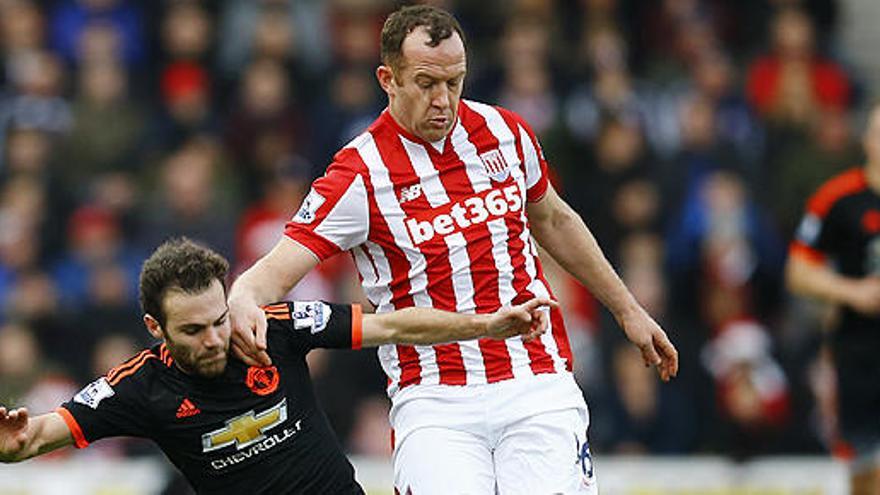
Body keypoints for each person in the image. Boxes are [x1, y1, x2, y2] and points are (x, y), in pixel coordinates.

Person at [228, 6, 678, 494]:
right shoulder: (359, 174)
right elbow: (271, 271)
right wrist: (241, 300)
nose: (443, 100)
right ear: (388, 79)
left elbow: (553, 219)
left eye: (454, 82)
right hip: (434, 399)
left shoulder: (505, 131)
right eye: (426, 83)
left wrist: (627, 309)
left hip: (535, 377)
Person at [0, 237, 555, 494]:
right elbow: (37, 436)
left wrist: (485, 324)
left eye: (219, 319)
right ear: (156, 330)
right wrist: (11, 442)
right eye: (193, 331)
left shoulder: (273, 325)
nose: (217, 339)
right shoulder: (141, 387)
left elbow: (391, 324)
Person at [787, 103, 880, 495]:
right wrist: (852, 292)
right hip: (858, 351)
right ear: (867, 139)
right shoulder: (839, 198)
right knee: (862, 461)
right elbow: (798, 271)